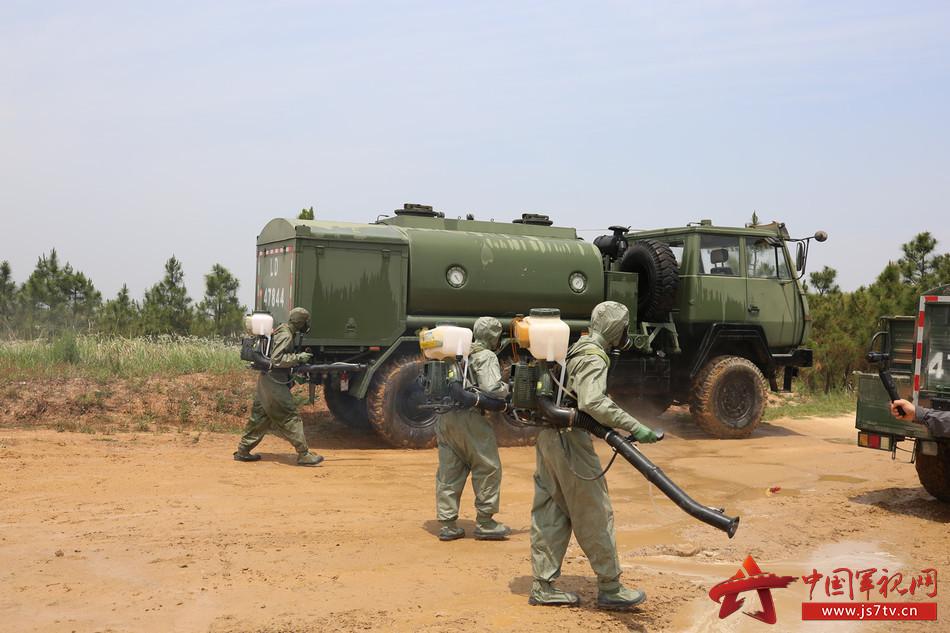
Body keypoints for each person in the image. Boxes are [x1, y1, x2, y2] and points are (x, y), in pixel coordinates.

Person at [530, 301, 659, 610]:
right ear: (617, 329)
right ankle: (611, 587)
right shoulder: (594, 356)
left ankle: (543, 585)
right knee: (594, 512)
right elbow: (592, 402)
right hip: (570, 441)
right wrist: (635, 426)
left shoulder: (576, 348)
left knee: (552, 511)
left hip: (548, 437)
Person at [435, 316, 511, 542]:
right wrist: (508, 390)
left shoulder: (455, 353)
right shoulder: (485, 355)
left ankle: (448, 524)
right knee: (487, 467)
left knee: (449, 471)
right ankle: (486, 523)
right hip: (471, 418)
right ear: (494, 337)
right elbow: (492, 388)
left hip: (445, 418)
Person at [234, 307, 324, 466]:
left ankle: (243, 450)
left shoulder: (283, 329)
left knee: (260, 417)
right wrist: (299, 357)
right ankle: (303, 454)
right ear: (300, 322)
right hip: (274, 382)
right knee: (290, 416)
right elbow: (277, 360)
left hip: (265, 381)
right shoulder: (286, 335)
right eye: (305, 321)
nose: (306, 324)